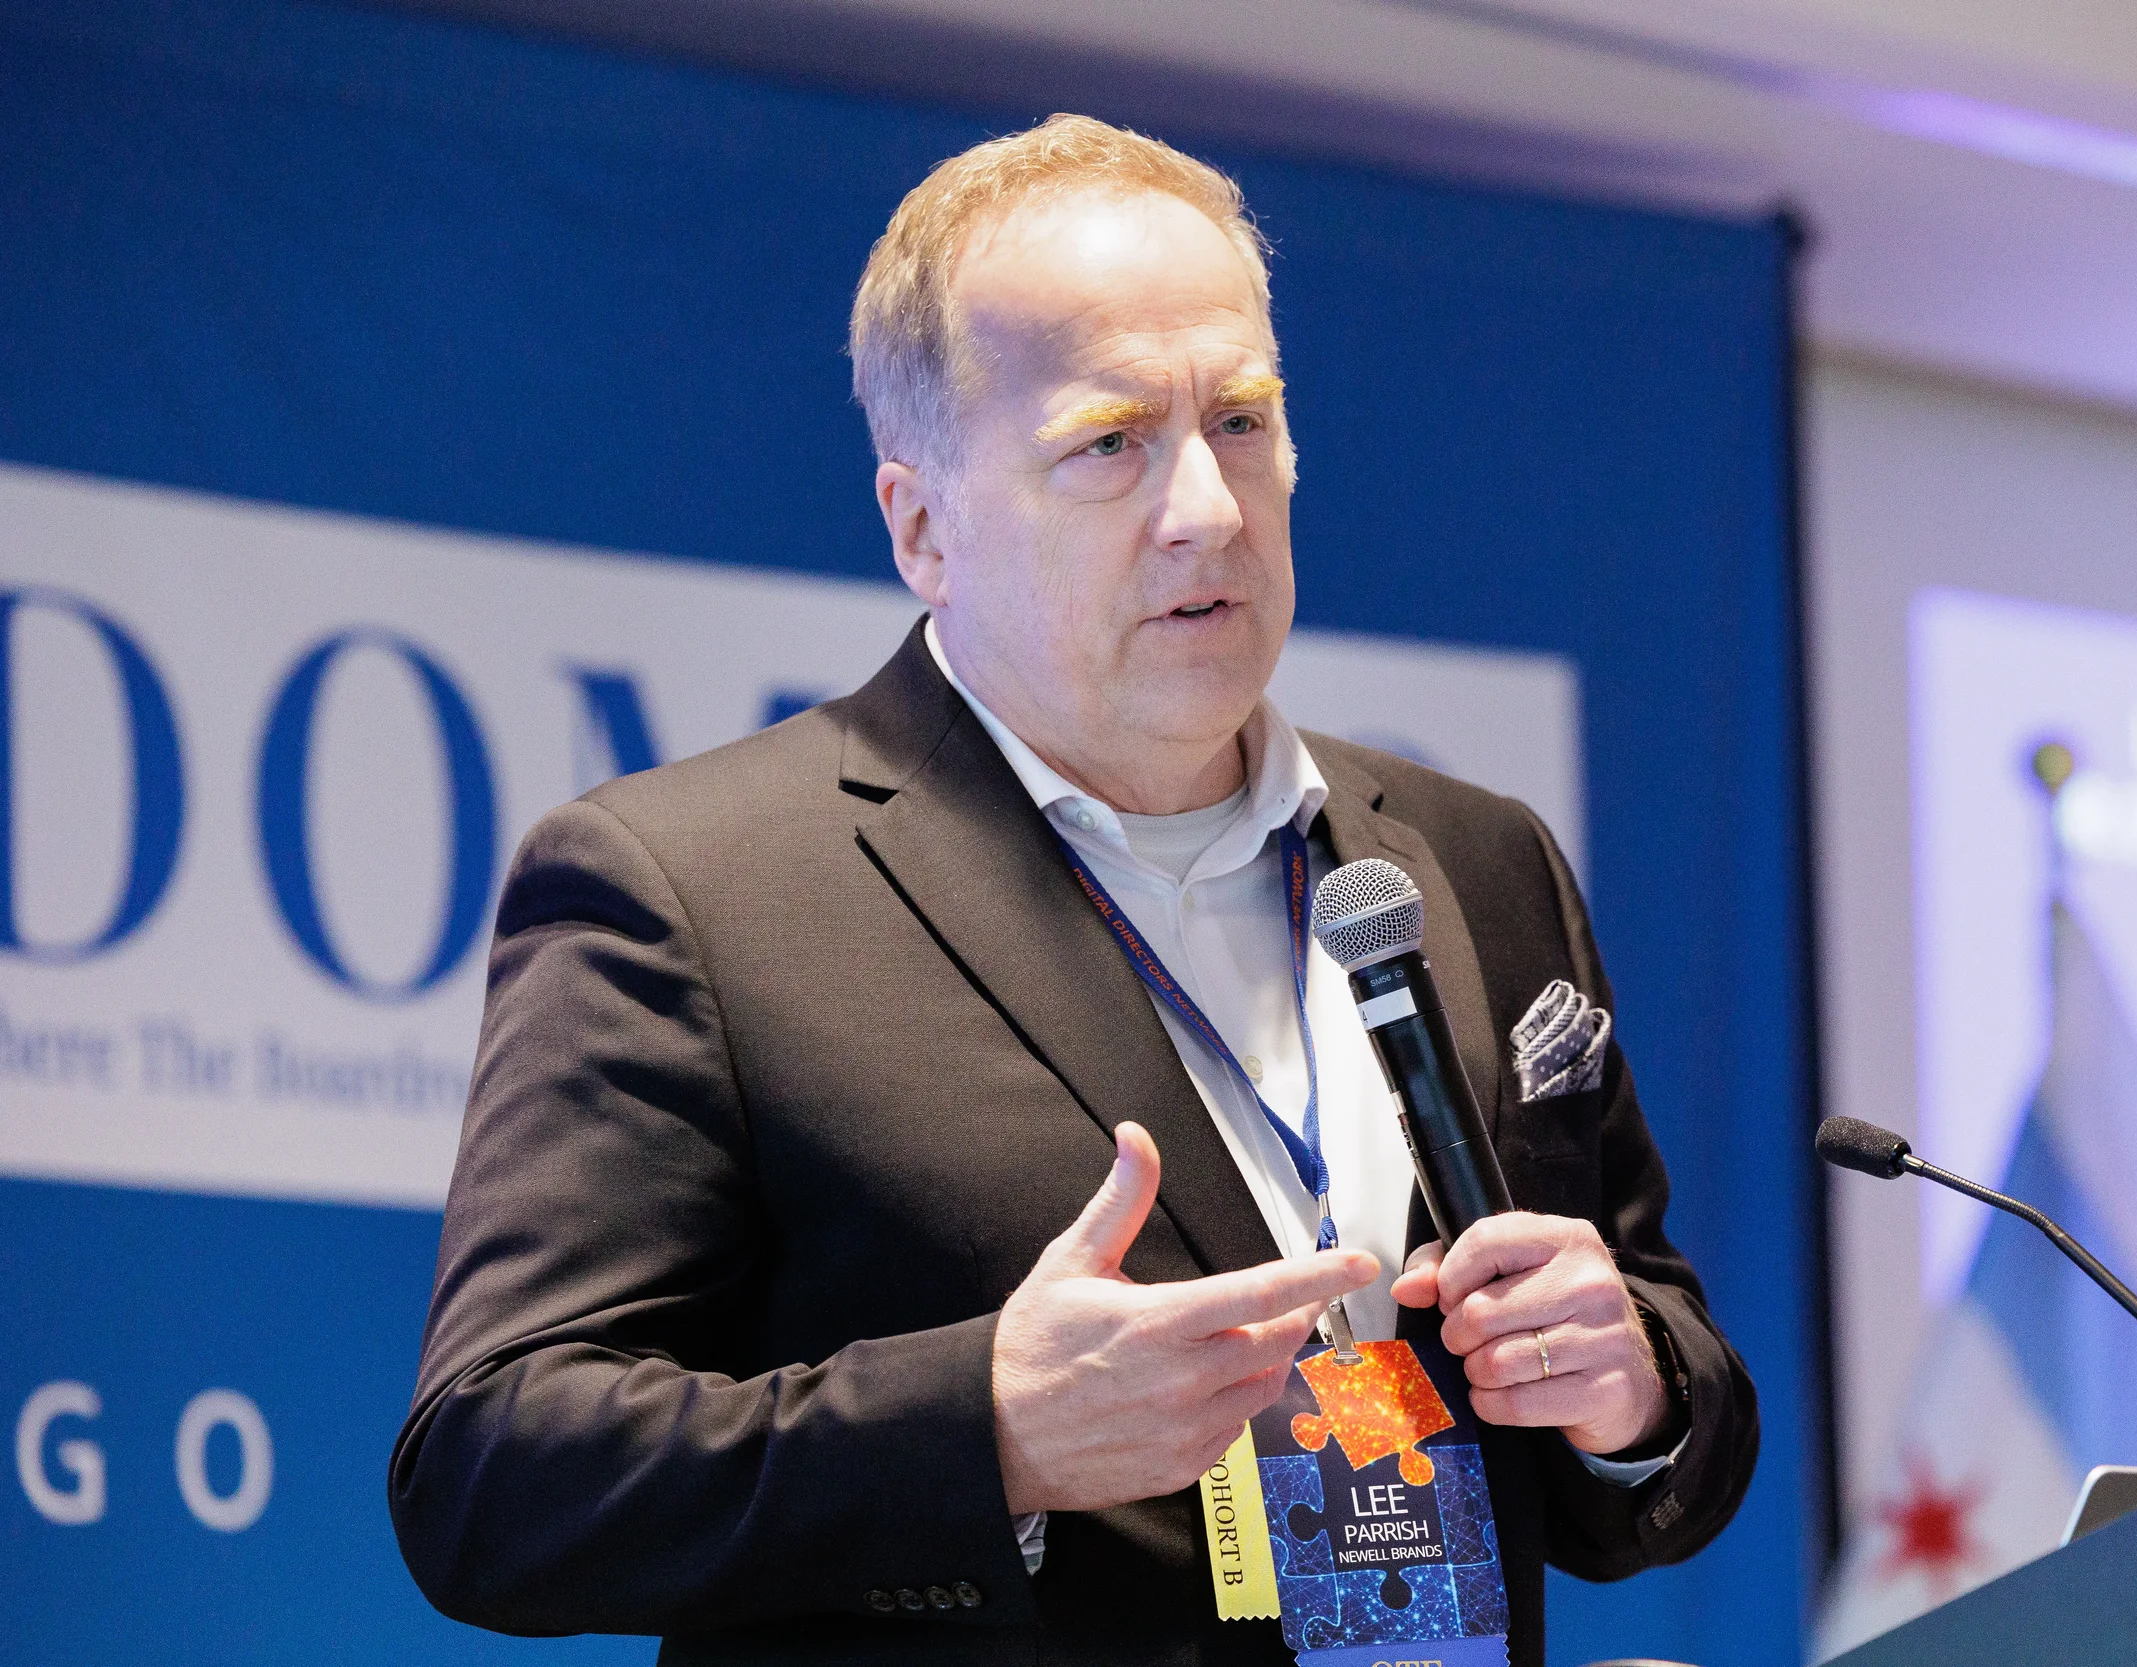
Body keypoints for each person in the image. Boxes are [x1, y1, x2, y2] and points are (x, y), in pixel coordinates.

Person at [390, 113, 1757, 1665]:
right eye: (1109, 443)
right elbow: (491, 1471)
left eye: (1242, 420)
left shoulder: (1467, 854)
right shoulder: (692, 890)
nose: (1207, 508)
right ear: (922, 526)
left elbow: (1659, 1409)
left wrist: (1632, 1384)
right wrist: (984, 1430)